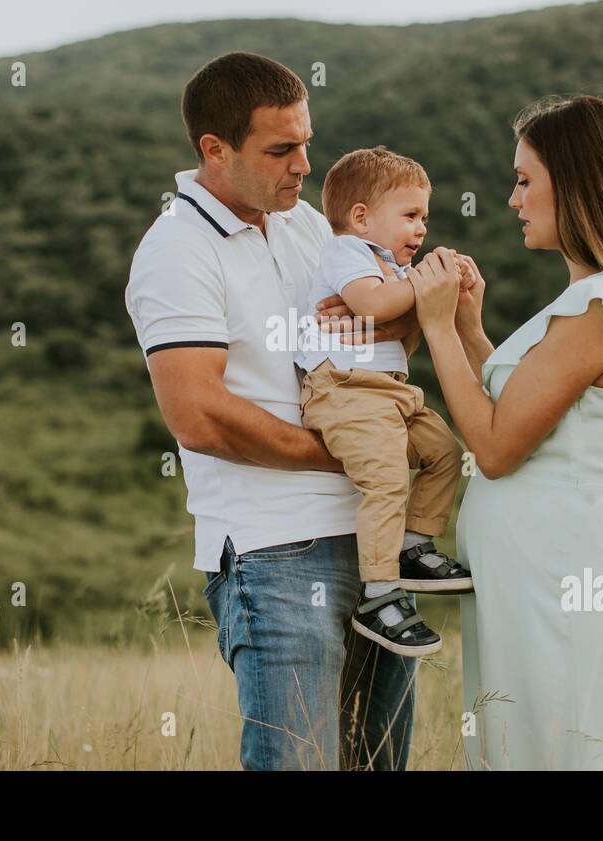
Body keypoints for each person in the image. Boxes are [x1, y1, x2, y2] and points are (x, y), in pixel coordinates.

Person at [124, 52, 419, 770]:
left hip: (372, 538)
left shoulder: (309, 226)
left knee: (378, 764)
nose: (303, 165)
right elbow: (200, 416)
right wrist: (351, 452)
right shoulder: (176, 251)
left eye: (306, 143)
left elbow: (385, 330)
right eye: (281, 149)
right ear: (215, 150)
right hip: (276, 554)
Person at [407, 95, 603, 770]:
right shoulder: (594, 302)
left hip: (569, 586)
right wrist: (468, 329)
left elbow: (494, 447)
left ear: (575, 186)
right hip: (544, 580)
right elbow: (530, 412)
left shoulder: (599, 308)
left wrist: (433, 329)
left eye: (525, 180)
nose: (513, 198)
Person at [295, 147, 473, 658]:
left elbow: (403, 331)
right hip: (344, 390)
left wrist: (432, 293)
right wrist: (426, 284)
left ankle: (412, 544)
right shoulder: (348, 252)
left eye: (425, 218)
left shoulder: (394, 269)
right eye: (411, 216)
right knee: (387, 476)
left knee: (443, 450)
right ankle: (378, 592)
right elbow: (372, 306)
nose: (421, 230)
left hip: (390, 393)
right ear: (361, 217)